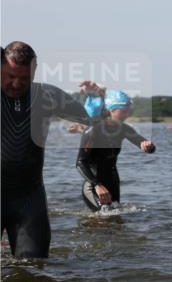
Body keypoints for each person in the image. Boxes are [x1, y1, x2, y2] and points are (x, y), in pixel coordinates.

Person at [1, 42, 103, 257]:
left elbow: (90, 120)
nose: (16, 83)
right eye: (10, 76)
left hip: (28, 199)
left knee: (33, 269)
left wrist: (96, 98)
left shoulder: (47, 96)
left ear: (34, 71)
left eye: (24, 78)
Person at [76, 91, 156, 211]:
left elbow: (143, 143)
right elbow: (80, 163)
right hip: (94, 184)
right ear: (111, 110)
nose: (127, 114)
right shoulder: (93, 130)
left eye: (128, 110)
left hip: (112, 180)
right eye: (123, 111)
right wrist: (97, 185)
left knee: (116, 217)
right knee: (104, 217)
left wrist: (148, 146)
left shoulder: (123, 129)